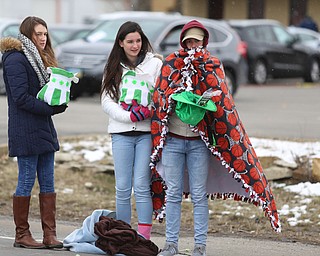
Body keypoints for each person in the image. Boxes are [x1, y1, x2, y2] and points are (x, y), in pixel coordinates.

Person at [150, 20, 281, 256]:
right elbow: (159, 96)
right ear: (182, 41)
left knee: (199, 194)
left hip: (198, 143)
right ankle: (170, 244)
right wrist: (175, 95)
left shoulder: (212, 65)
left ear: (204, 42)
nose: (192, 45)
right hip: (173, 140)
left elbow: (223, 103)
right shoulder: (171, 63)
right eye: (188, 41)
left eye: (196, 41)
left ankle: (200, 246)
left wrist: (205, 99)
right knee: (173, 192)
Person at [0, 16, 67, 249]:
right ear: (27, 33)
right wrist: (49, 108)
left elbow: (43, 93)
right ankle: (22, 234)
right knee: (26, 180)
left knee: (48, 183)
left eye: (45, 34)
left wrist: (59, 100)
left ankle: (50, 235)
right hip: (25, 129)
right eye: (38, 33)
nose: (42, 38)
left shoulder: (40, 58)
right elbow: (20, 98)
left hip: (43, 129)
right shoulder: (15, 58)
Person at [100, 21, 163, 240]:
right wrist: (128, 116)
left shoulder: (155, 64)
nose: (135, 45)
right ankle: (124, 235)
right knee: (123, 187)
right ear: (121, 43)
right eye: (130, 42)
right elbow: (106, 101)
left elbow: (160, 95)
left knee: (141, 185)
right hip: (121, 133)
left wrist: (148, 110)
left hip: (145, 134)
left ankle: (144, 238)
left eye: (138, 41)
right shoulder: (113, 66)